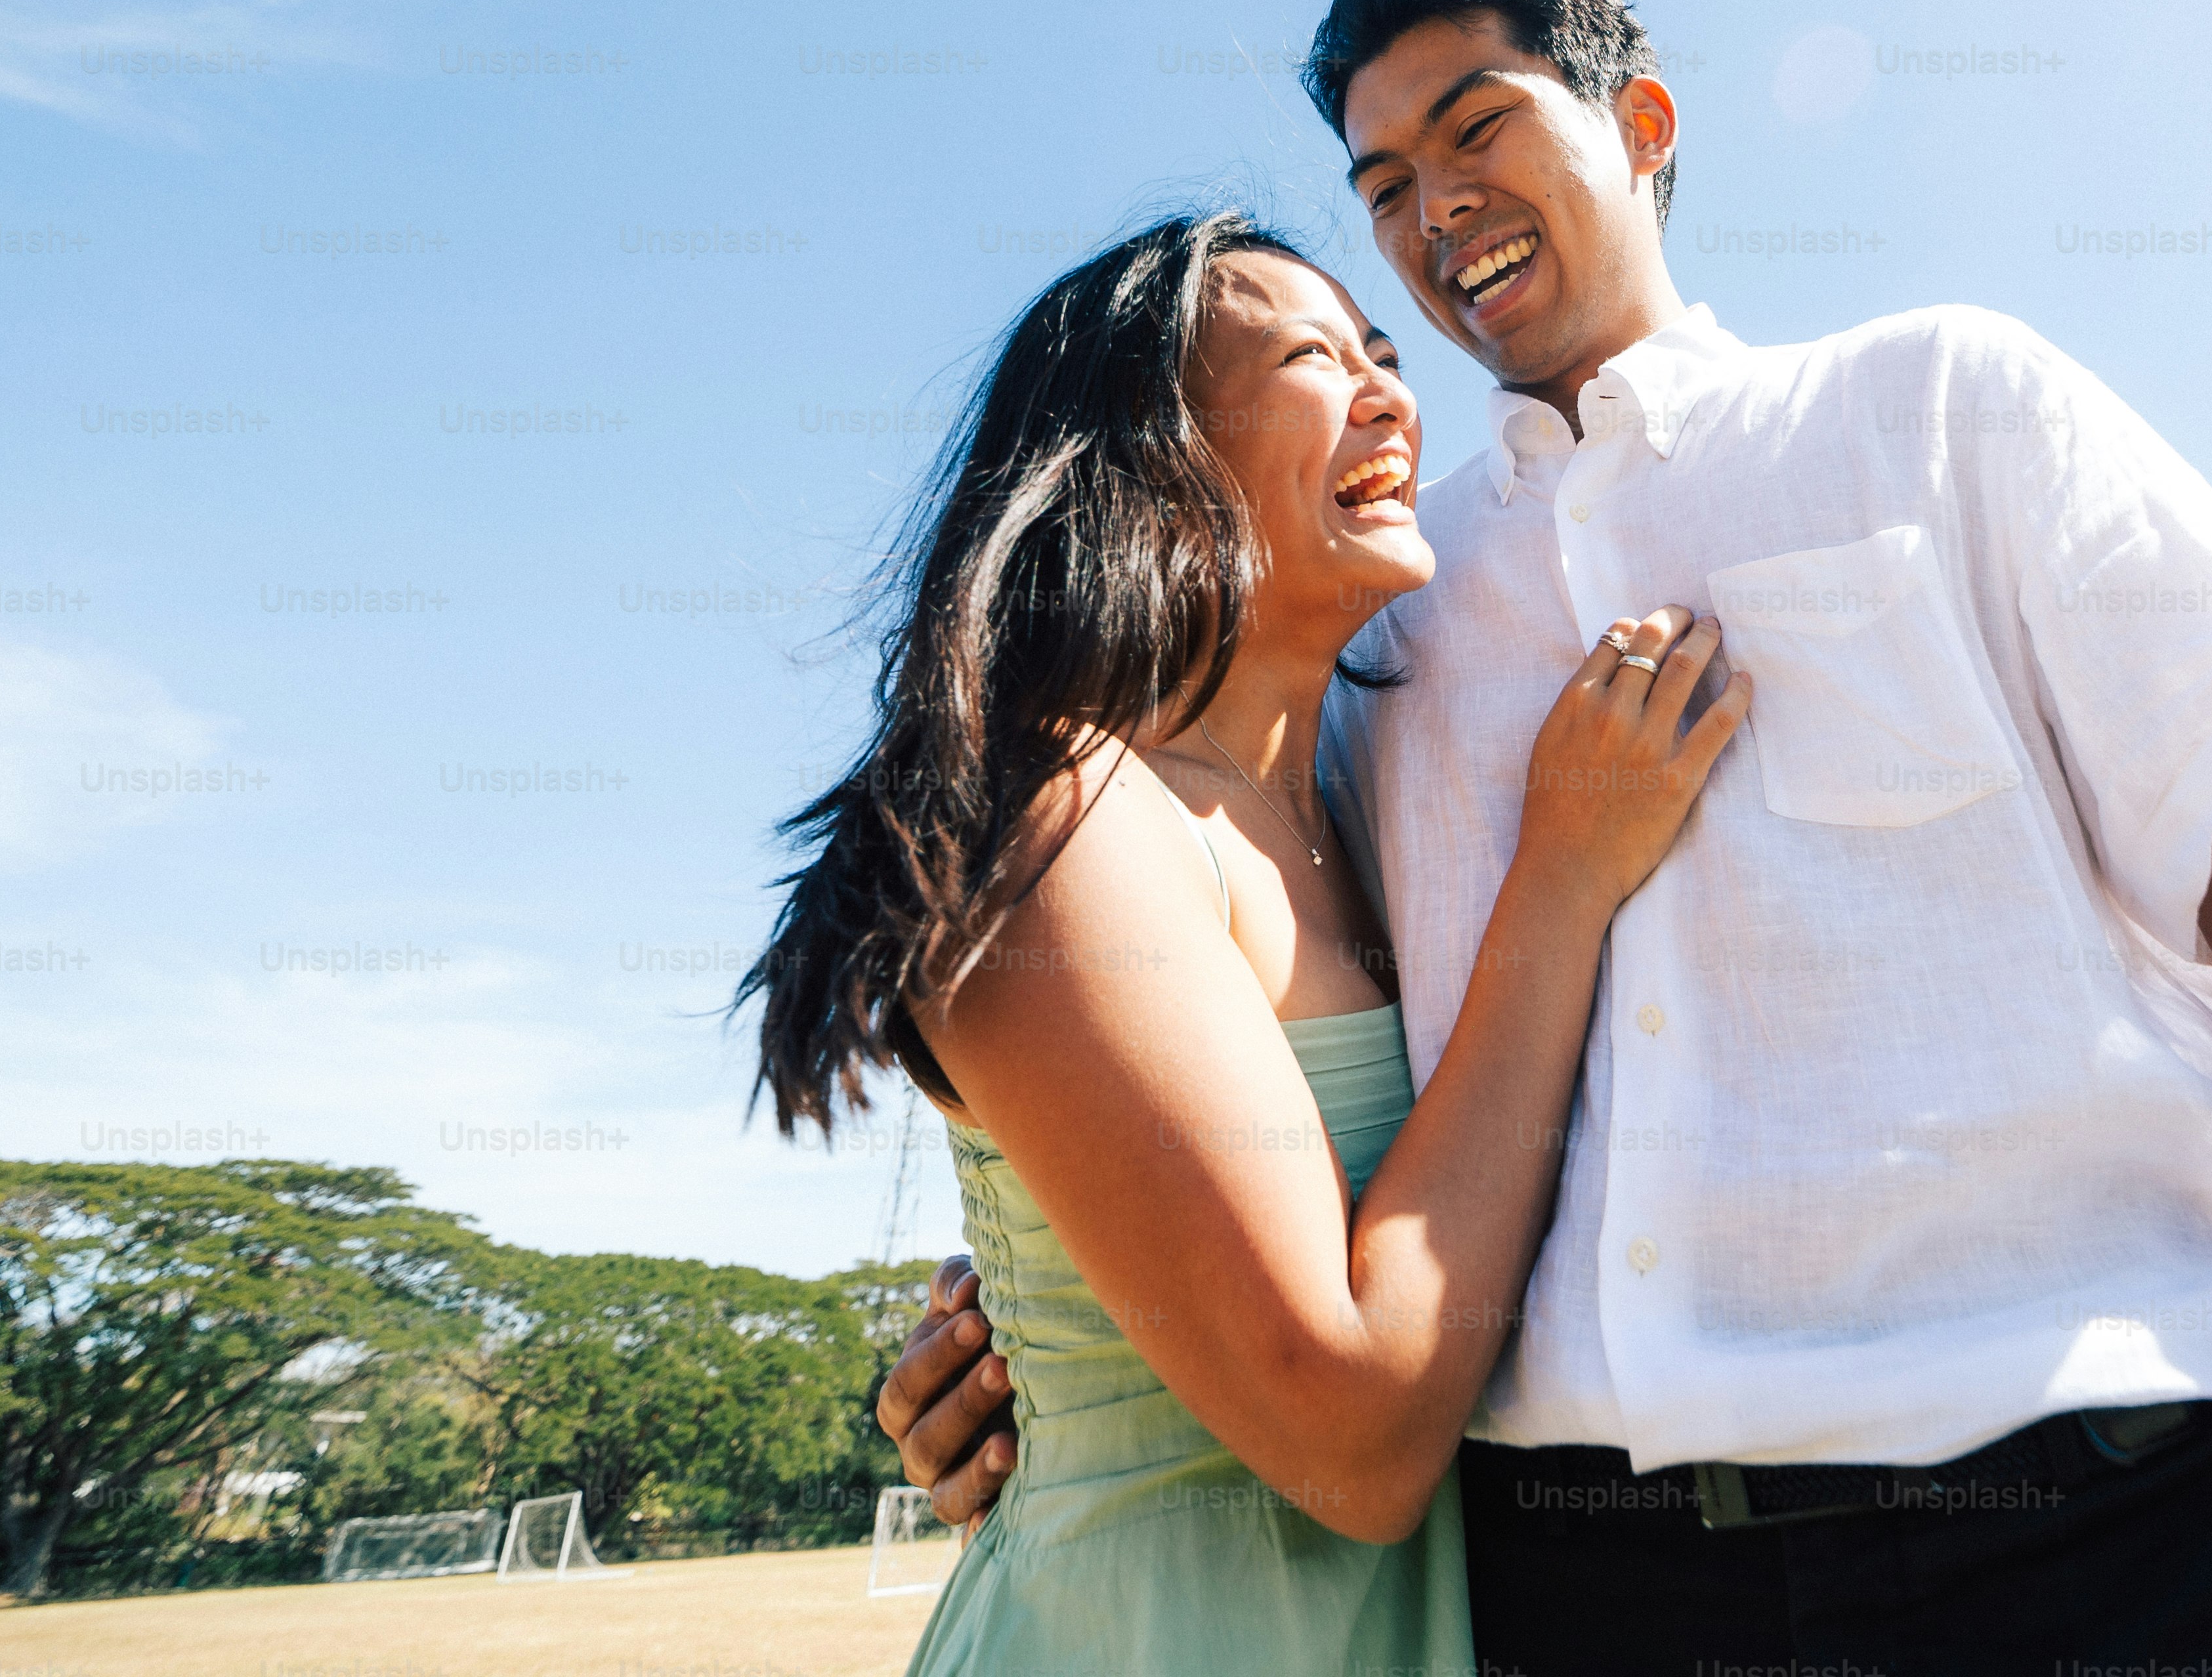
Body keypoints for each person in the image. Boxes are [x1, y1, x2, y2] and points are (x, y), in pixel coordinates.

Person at [878, 0, 2212, 1676]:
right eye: (1381, 189)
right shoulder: (1380, 612)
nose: (1429, 208)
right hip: (1585, 1598)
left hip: (2155, 1545)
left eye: (1479, 127)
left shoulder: (1942, 409)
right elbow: (1260, 1079)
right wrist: (1053, 1327)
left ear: (1639, 122)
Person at [741, 211, 1750, 1677]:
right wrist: (1563, 878)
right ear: (1149, 461)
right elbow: (1353, 1439)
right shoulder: (1063, 812)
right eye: (1311, 358)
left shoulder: (1358, 800)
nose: (1394, 393)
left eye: (1385, 356)